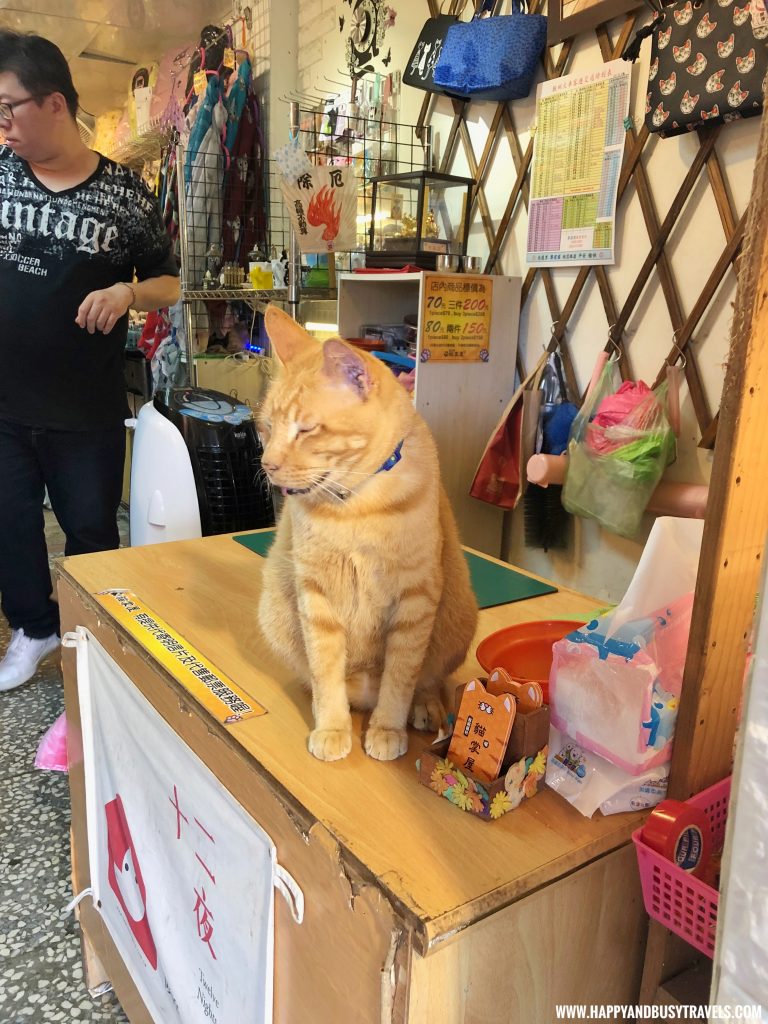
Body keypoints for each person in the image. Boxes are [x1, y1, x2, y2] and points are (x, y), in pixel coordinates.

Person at [0, 31, 180, 692]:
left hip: (85, 411)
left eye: (8, 108)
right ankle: (34, 627)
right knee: (9, 528)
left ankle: (87, 640)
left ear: (53, 103)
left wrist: (127, 290)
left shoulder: (124, 195)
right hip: (5, 405)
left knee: (90, 533)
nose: (3, 125)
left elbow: (170, 279)